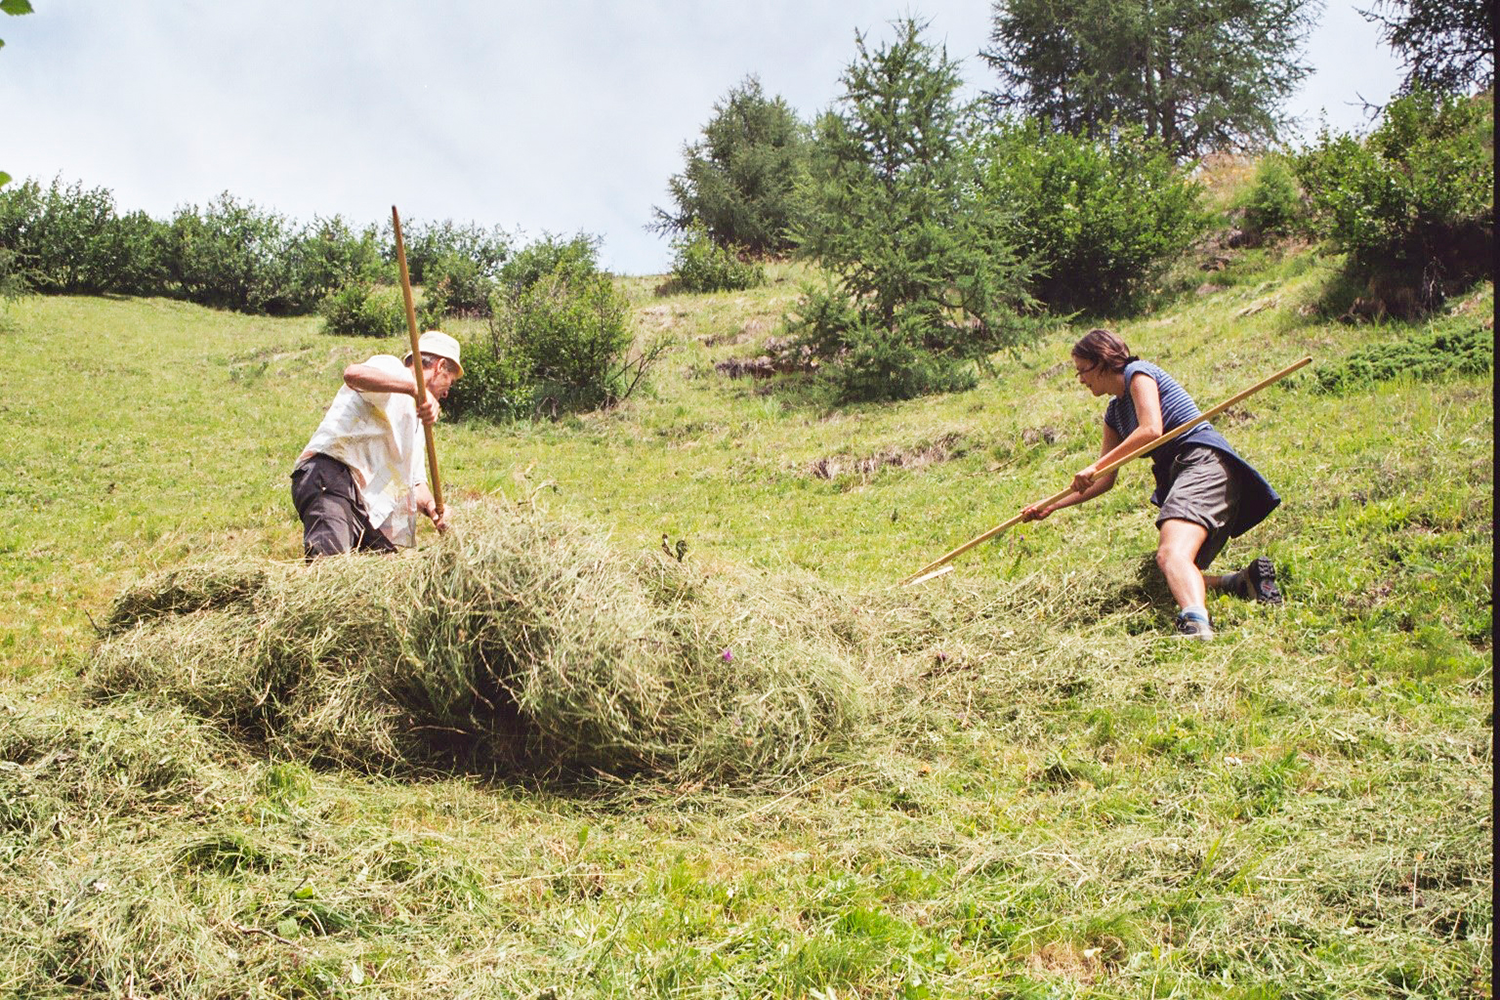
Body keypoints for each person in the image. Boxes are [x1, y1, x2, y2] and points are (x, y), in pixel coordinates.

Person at [1020, 328, 1282, 639]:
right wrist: (1051, 505)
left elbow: (1151, 430)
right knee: (1165, 574)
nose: (1081, 380)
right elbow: (1104, 481)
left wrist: (1095, 464)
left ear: (1102, 362)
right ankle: (1240, 582)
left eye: (1082, 370)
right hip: (1184, 473)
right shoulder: (1114, 413)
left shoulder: (1138, 373)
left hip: (1202, 463)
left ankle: (1196, 625)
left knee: (1171, 554)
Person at [290, 330, 464, 559]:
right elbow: (353, 374)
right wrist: (413, 388)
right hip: (333, 477)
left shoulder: (417, 425)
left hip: (366, 504)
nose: (447, 393)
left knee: (386, 577)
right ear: (440, 366)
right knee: (329, 570)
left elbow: (416, 481)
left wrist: (432, 508)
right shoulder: (394, 371)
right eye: (448, 382)